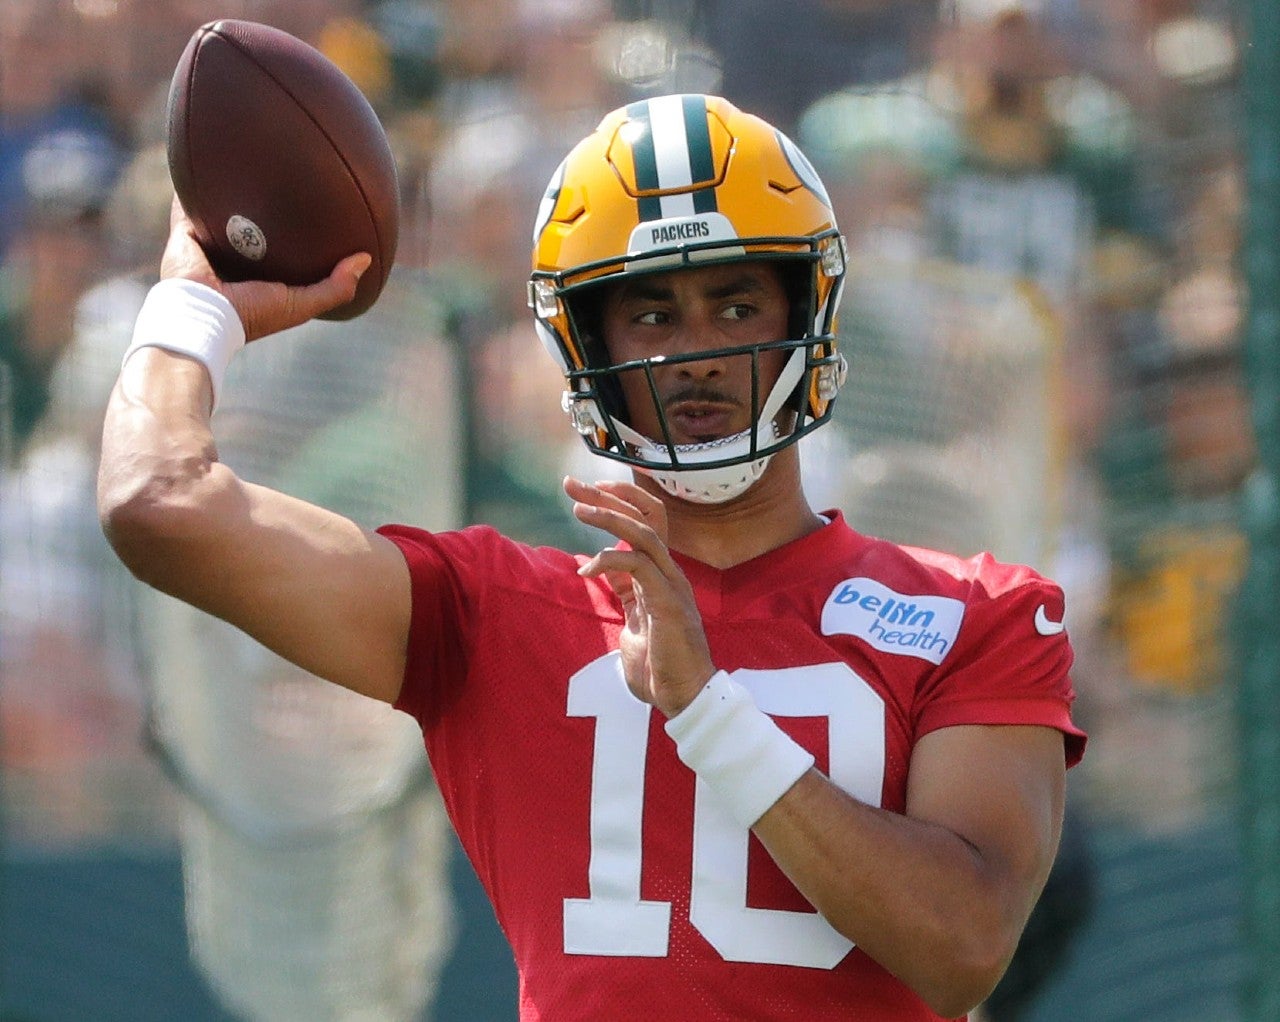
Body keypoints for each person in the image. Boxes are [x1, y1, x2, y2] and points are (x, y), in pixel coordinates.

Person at [98, 94, 1086, 1021]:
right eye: (651, 314)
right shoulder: (489, 610)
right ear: (581, 343)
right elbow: (159, 502)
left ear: (805, 313)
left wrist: (708, 710)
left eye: (736, 304)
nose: (695, 350)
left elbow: (963, 943)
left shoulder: (976, 610)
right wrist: (195, 310)